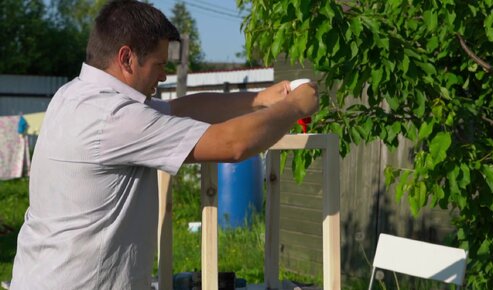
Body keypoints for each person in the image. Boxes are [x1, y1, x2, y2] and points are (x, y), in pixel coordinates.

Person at [10, 0, 318, 289]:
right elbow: (232, 144)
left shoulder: (74, 95)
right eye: (159, 63)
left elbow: (181, 109)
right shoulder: (115, 118)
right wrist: (294, 108)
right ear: (126, 58)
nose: (164, 73)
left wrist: (260, 99)